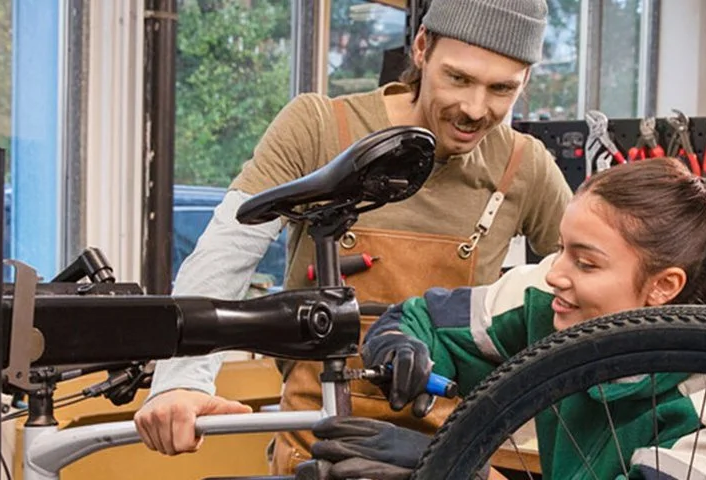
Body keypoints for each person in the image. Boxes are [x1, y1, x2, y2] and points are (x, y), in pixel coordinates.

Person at [133, 0, 574, 474]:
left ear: (526, 80)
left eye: (501, 89)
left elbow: (589, 284)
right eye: (459, 78)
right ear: (422, 47)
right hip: (317, 448)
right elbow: (227, 251)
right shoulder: (320, 127)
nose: (473, 109)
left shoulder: (523, 167)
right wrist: (182, 381)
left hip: (444, 456)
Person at [308, 158, 706, 480]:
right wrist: (399, 347)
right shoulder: (550, 299)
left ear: (664, 286)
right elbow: (420, 319)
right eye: (561, 250)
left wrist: (464, 470)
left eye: (586, 261)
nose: (556, 274)